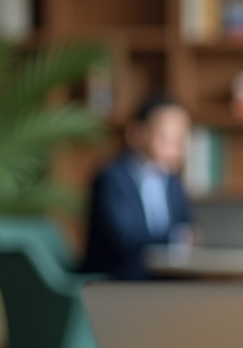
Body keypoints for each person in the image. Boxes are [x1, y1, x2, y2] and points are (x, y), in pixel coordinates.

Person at [80, 94, 192, 280]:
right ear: (137, 134)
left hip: (164, 276)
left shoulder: (172, 181)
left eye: (181, 138)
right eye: (167, 137)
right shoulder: (111, 178)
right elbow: (121, 239)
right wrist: (176, 240)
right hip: (119, 280)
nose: (177, 147)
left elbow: (186, 225)